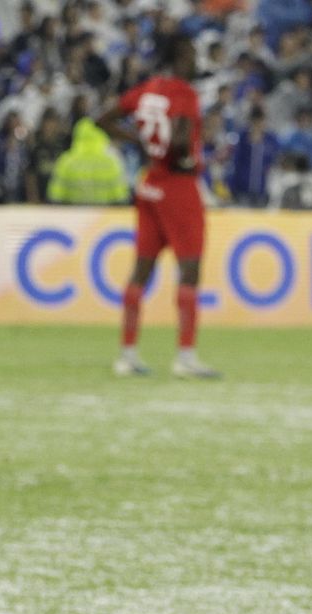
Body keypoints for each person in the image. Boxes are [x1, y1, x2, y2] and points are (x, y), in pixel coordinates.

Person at [98, 35, 221, 380]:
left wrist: (141, 143)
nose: (197, 60)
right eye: (193, 53)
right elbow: (181, 139)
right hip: (178, 187)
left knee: (141, 269)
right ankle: (185, 356)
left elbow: (103, 120)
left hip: (149, 184)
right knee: (190, 270)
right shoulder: (184, 94)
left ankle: (127, 354)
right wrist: (182, 154)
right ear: (180, 54)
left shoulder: (147, 89)